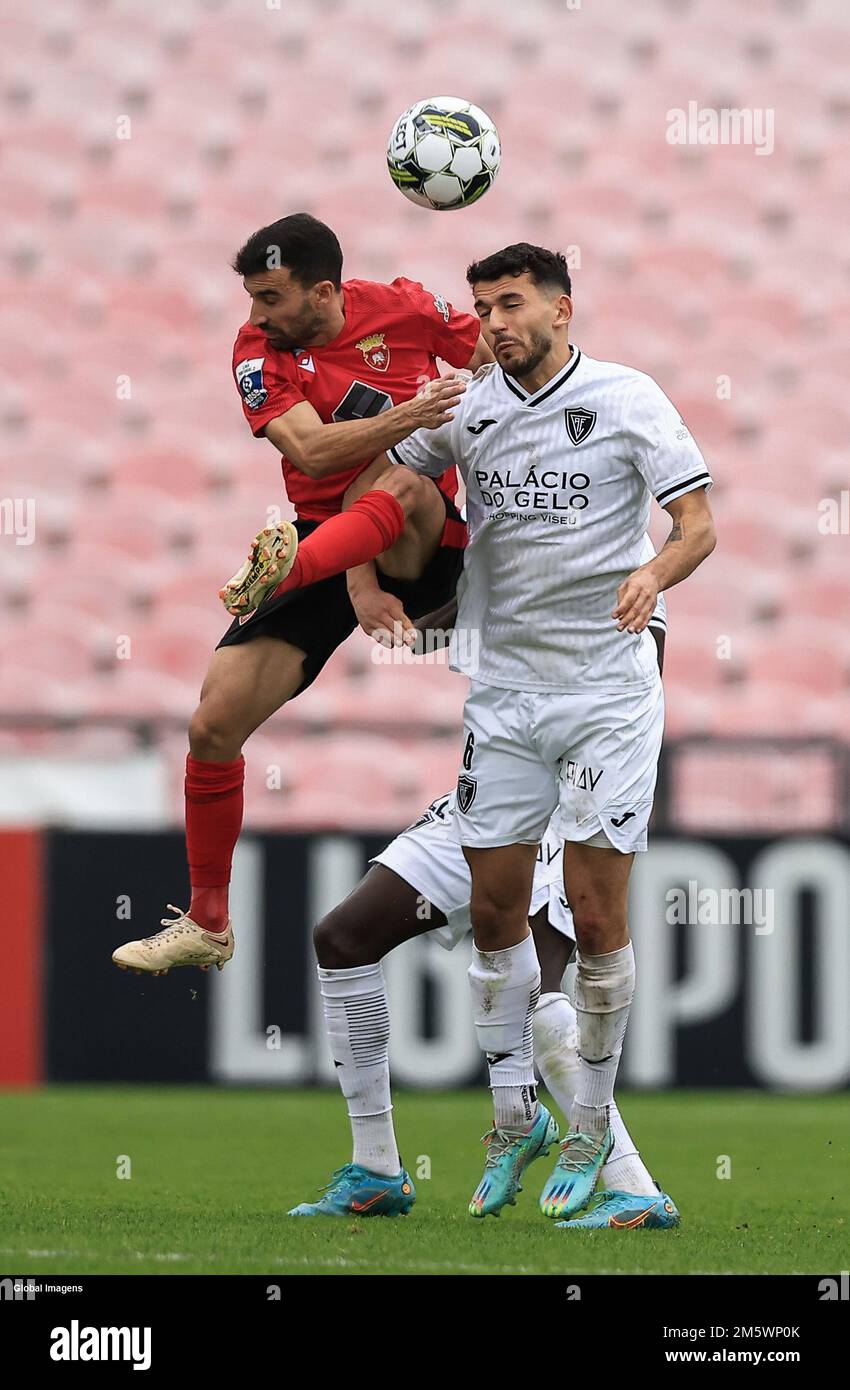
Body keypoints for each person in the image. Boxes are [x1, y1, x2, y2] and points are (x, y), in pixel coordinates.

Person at [260, 242, 716, 1218]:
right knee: (354, 934)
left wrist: (652, 574)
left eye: (511, 303)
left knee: (579, 945)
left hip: (592, 726)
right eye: (481, 306)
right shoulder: (468, 410)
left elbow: (696, 528)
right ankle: (435, 1151)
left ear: (561, 307)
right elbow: (384, 493)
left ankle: (617, 1170)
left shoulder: (628, 401)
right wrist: (356, 579)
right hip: (503, 718)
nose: (494, 321)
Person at [112, 213, 489, 978]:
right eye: (251, 298)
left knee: (409, 477)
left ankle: (289, 569)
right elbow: (311, 448)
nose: (255, 316)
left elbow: (494, 357)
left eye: (270, 298)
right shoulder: (259, 351)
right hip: (333, 538)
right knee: (213, 724)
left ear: (323, 291)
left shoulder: (408, 308)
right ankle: (209, 923)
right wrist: (413, 416)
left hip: (430, 550)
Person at [291, 597, 679, 1230]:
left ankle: (632, 1188)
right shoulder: (500, 518)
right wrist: (380, 604)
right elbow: (427, 637)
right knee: (343, 938)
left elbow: (641, 670)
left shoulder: (616, 542)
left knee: (541, 1003)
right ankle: (377, 1170)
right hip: (489, 793)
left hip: (567, 793)